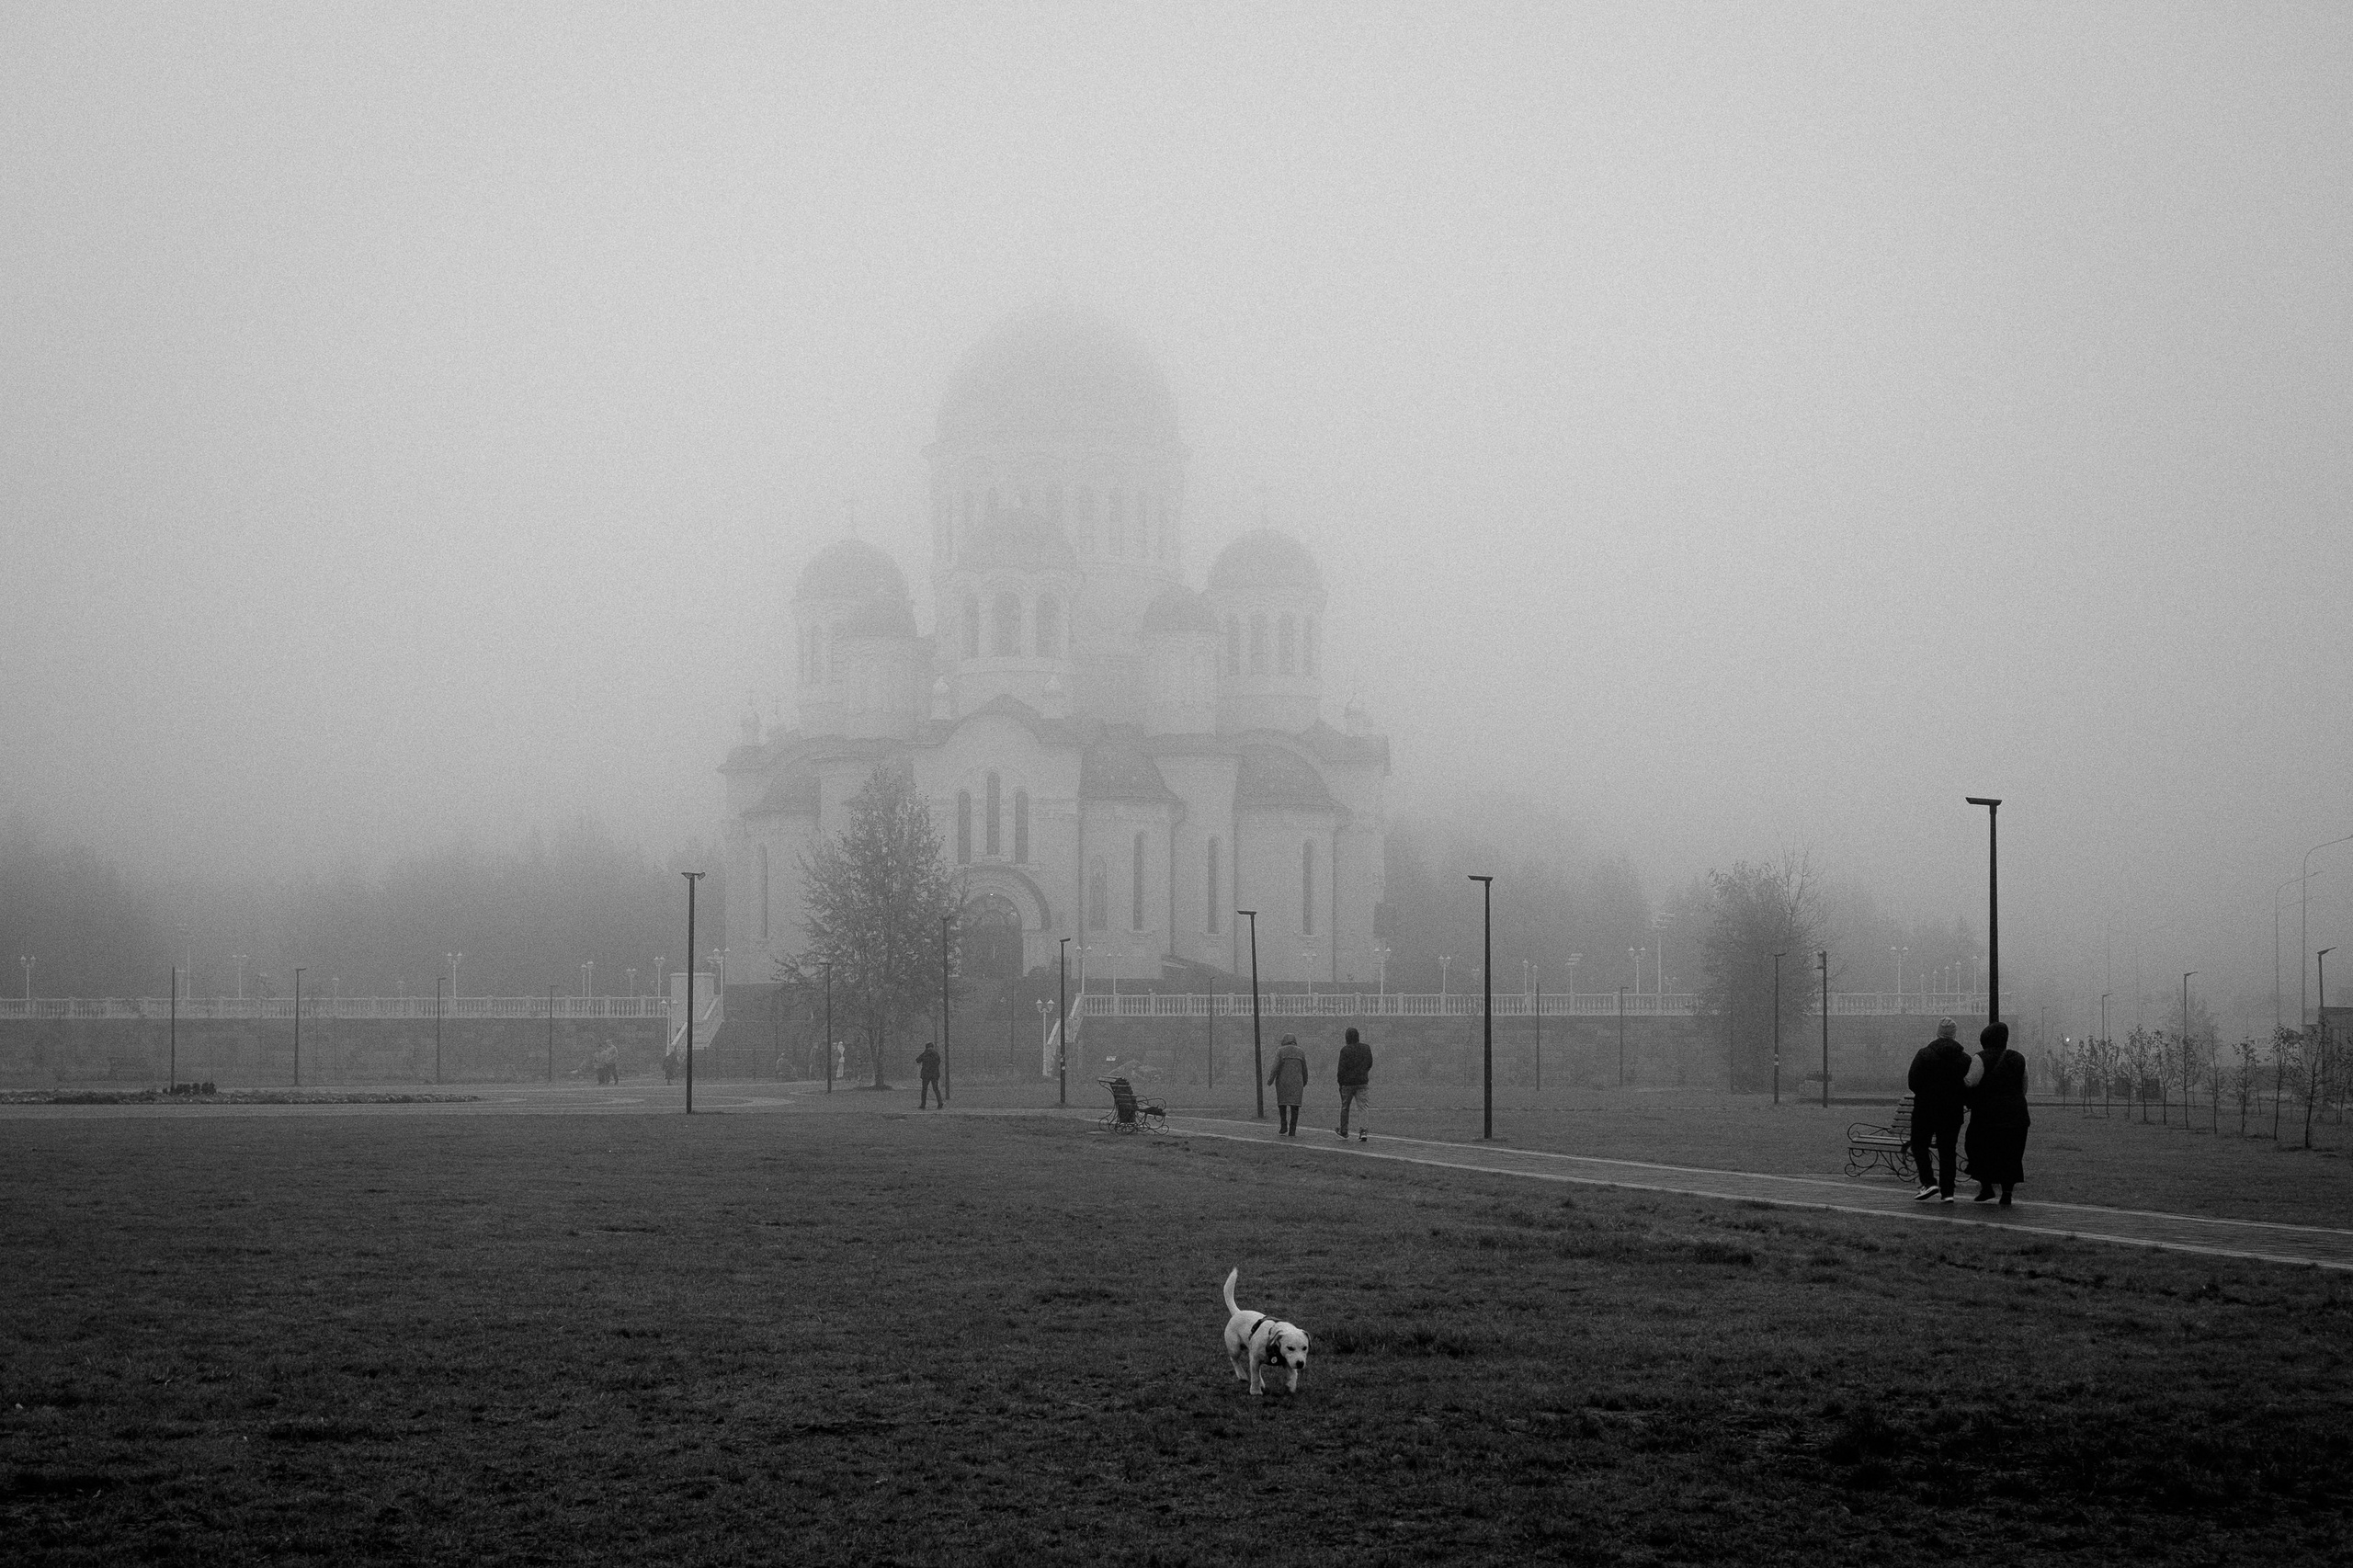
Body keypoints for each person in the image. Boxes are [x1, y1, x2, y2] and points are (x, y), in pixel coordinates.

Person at [1963, 1020, 2031, 1206]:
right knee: (2011, 1154)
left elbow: (1970, 1082)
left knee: (1978, 1148)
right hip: (2017, 1115)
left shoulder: (1980, 1058)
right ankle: (2007, 1192)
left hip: (1987, 1116)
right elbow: (2024, 1086)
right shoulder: (2019, 1058)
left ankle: (1986, 1187)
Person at [1905, 1018, 1971, 1202]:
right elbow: (1967, 1086)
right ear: (1954, 1034)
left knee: (1919, 1144)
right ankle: (1948, 1192)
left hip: (1925, 1109)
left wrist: (1927, 1093)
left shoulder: (1924, 1054)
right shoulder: (1964, 1059)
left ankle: (1928, 1181)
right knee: (1947, 1150)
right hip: (1952, 1111)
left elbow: (1913, 1082)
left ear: (1938, 1033)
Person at [1335, 1027, 1373, 1142]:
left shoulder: (1345, 1050)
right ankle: (1363, 1131)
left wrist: (1340, 1083)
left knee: (1345, 1107)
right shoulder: (1366, 1048)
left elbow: (1341, 1069)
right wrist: (1363, 1073)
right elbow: (1370, 1063)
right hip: (1362, 1081)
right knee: (1363, 1107)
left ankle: (1344, 1131)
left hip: (1347, 1083)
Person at [1267, 1034, 1309, 1135]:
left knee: (1282, 1104)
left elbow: (1275, 1067)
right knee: (1295, 1107)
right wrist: (1305, 1081)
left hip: (1283, 1082)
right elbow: (1304, 1069)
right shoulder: (1300, 1051)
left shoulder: (1281, 1051)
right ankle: (1292, 1130)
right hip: (1297, 1082)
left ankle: (1283, 1126)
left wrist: (1271, 1080)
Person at [916, 1041, 943, 1108]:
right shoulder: (936, 1054)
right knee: (936, 1089)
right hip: (935, 1074)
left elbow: (918, 1060)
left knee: (924, 1089)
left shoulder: (925, 1053)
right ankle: (940, 1103)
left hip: (926, 1074)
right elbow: (938, 1062)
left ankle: (923, 1104)